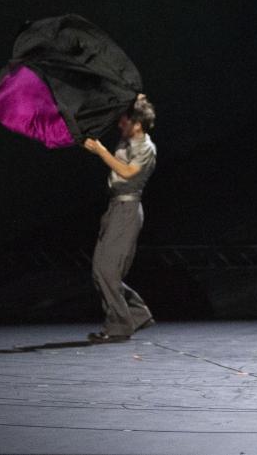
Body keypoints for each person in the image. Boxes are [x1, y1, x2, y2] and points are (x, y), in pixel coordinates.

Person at [83, 95, 157, 343]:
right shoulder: (129, 139)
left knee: (107, 271)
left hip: (127, 210)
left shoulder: (146, 147)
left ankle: (119, 326)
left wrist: (101, 151)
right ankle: (137, 314)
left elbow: (127, 171)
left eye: (125, 121)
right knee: (99, 271)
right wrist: (133, 96)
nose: (120, 124)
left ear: (137, 124)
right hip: (115, 208)